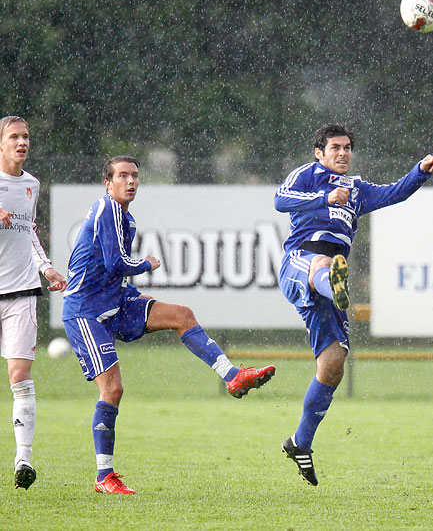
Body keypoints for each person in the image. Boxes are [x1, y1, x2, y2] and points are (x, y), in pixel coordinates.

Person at [62, 155, 276, 494]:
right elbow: (115, 261)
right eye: (122, 176)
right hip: (86, 312)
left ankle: (232, 376)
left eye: (134, 175)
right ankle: (104, 476)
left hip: (116, 302)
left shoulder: (124, 218)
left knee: (182, 314)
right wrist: (145, 263)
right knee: (113, 389)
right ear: (108, 183)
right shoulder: (106, 210)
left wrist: (131, 289)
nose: (130, 181)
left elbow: (107, 270)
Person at [274, 123, 433, 486]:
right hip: (302, 261)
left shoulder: (358, 188)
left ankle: (300, 442)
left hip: (332, 276)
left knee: (333, 364)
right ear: (319, 152)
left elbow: (395, 193)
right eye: (335, 147)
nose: (343, 153)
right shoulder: (308, 174)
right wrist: (323, 199)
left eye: (348, 147)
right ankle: (334, 285)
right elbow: (280, 200)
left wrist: (419, 173)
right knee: (322, 265)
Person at [0, 115, 67, 490]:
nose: (22, 142)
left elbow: (29, 233)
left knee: (19, 378)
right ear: (0, 143)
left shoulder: (31, 185)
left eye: (25, 136)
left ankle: (22, 460)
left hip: (22, 293)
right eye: (14, 136)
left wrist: (47, 268)